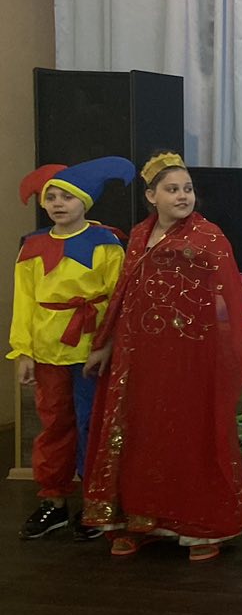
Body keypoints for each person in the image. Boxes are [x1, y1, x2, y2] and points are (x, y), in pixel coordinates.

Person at [80, 153, 242, 562]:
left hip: (189, 357)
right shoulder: (139, 235)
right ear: (151, 196)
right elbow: (124, 294)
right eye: (172, 189)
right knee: (140, 432)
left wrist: (235, 350)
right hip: (138, 356)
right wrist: (105, 344)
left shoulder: (208, 236)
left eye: (187, 189)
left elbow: (231, 296)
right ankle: (138, 521)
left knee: (187, 433)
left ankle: (197, 527)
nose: (182, 196)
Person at [10, 157, 133, 540]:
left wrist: (106, 345)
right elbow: (24, 303)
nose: (58, 204)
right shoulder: (31, 246)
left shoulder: (107, 245)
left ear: (85, 202)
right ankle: (54, 500)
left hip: (91, 354)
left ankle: (95, 502)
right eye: (51, 197)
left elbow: (118, 301)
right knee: (54, 425)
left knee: (91, 424)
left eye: (67, 196)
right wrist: (23, 351)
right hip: (47, 352)